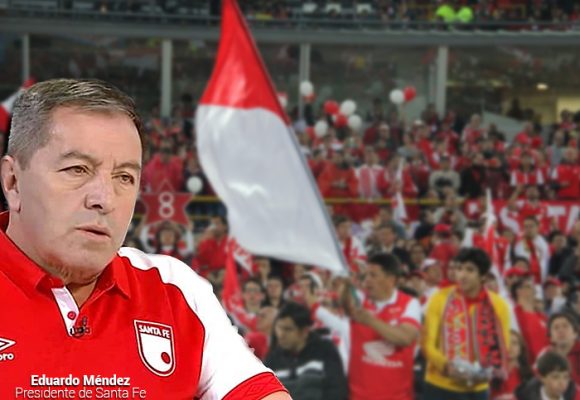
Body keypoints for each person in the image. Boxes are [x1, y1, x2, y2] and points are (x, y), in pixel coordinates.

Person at [0, 79, 289, 399]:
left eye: (124, 177)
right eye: (78, 169)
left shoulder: (174, 288)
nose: (104, 199)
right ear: (13, 182)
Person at [310, 253, 421, 400]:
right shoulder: (361, 300)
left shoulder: (409, 303)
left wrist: (371, 321)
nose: (367, 280)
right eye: (366, 275)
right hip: (359, 396)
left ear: (391, 279)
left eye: (373, 275)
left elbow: (406, 338)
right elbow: (346, 302)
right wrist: (347, 284)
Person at [423, 248, 512, 400]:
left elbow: (503, 347)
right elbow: (427, 343)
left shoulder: (499, 306)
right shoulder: (439, 298)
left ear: (483, 276)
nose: (462, 275)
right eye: (459, 269)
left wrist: (488, 372)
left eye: (469, 270)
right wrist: (446, 366)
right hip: (439, 386)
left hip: (477, 388)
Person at [265, 302, 348, 400]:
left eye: (288, 329)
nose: (281, 335)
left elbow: (336, 391)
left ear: (304, 332)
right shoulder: (273, 359)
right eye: (279, 328)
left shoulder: (325, 351)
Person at [515, 351, 580, 400]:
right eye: (555, 377)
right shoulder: (524, 397)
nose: (562, 383)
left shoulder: (576, 395)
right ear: (541, 377)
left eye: (566, 377)